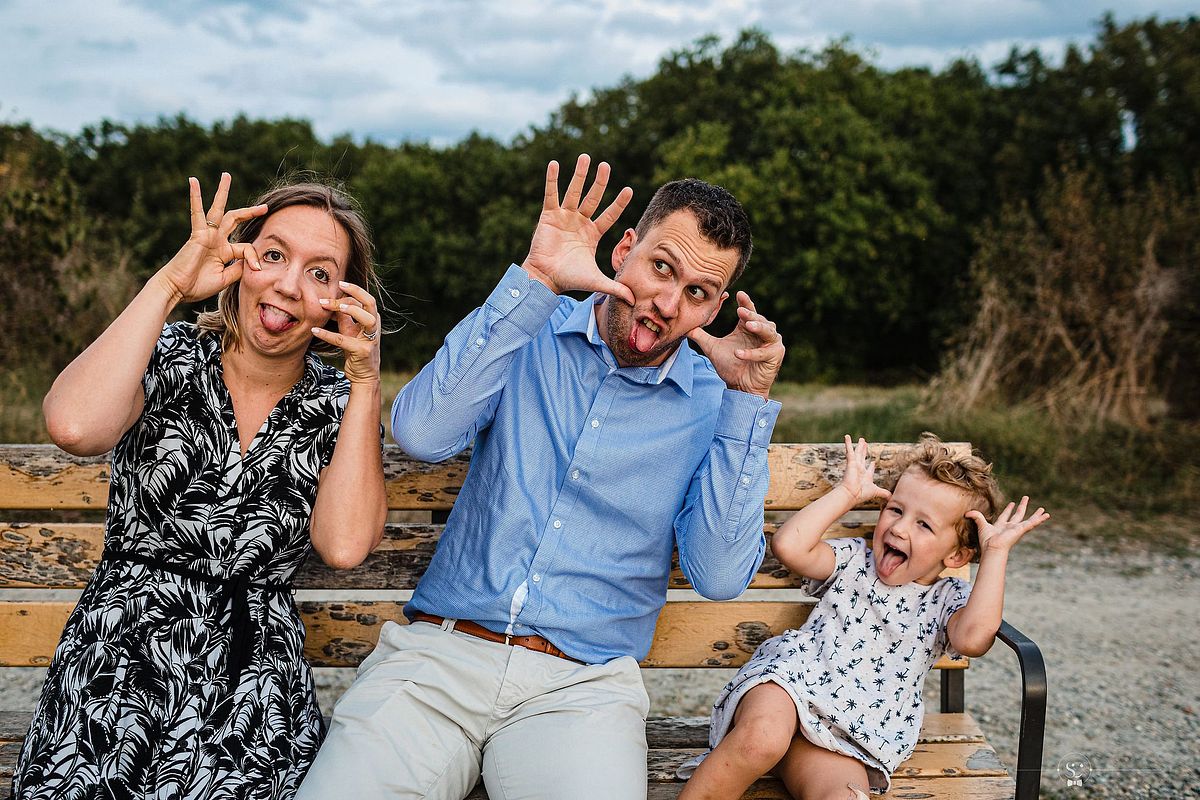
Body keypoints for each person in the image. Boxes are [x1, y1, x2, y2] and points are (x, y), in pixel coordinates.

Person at [297, 154, 786, 799]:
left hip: (580, 690)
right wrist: (535, 280)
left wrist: (745, 404)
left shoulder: (711, 403)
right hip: (440, 657)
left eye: (696, 293)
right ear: (626, 250)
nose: (666, 303)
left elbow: (720, 574)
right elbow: (419, 432)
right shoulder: (531, 324)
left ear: (715, 307)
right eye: (661, 268)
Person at [13, 173, 389, 800]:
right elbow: (73, 425)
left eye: (321, 274)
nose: (289, 285)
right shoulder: (167, 355)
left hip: (252, 689)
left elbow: (346, 545)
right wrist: (170, 286)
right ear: (241, 262)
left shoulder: (336, 403)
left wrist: (367, 379)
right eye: (273, 255)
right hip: (118, 664)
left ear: (343, 301)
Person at [677, 434, 1050, 800]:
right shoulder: (855, 561)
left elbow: (973, 639)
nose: (900, 528)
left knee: (843, 796)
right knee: (762, 740)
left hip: (848, 733)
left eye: (924, 525)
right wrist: (847, 494)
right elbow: (789, 546)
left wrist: (996, 552)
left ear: (956, 557)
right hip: (791, 685)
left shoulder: (948, 599)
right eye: (896, 509)